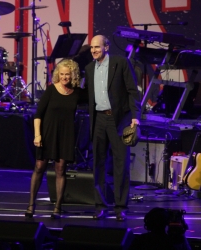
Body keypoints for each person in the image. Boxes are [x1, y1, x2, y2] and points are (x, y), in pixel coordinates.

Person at [84, 35, 141, 221]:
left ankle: (120, 207)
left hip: (119, 120)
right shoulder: (89, 68)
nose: (93, 50)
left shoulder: (120, 63)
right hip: (99, 120)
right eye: (92, 47)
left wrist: (135, 117)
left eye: (97, 47)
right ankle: (100, 206)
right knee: (98, 164)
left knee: (121, 164)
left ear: (106, 47)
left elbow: (133, 91)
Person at [25, 59, 82, 219]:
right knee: (39, 167)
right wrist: (37, 135)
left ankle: (57, 208)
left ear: (73, 75)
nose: (64, 77)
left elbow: (95, 98)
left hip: (65, 134)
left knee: (60, 169)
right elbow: (38, 115)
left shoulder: (77, 92)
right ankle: (31, 204)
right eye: (62, 74)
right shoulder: (51, 90)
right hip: (48, 132)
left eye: (67, 74)